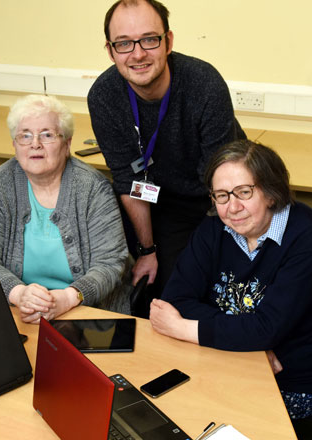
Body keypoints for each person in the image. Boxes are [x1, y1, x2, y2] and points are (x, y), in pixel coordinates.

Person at [150, 140, 312, 428]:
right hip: (226, 363)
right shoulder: (214, 228)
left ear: (271, 192)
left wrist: (184, 328)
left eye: (244, 192)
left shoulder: (304, 233)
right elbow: (176, 300)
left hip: (292, 382)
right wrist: (250, 345)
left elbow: (267, 328)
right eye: (222, 195)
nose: (233, 207)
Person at [87, 0, 245, 310]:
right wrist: (148, 250)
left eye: (149, 39)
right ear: (110, 50)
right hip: (164, 205)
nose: (138, 53)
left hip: (222, 199)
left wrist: (209, 252)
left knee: (207, 286)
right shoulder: (104, 97)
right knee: (162, 293)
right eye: (124, 43)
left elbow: (224, 181)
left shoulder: (203, 84)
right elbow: (128, 181)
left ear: (168, 41)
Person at [0, 95, 130, 323]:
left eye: (47, 135)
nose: (35, 144)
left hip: (88, 314)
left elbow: (111, 264)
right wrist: (19, 294)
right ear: (14, 144)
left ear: (67, 144)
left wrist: (68, 298)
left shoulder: (92, 188)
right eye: (25, 135)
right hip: (17, 311)